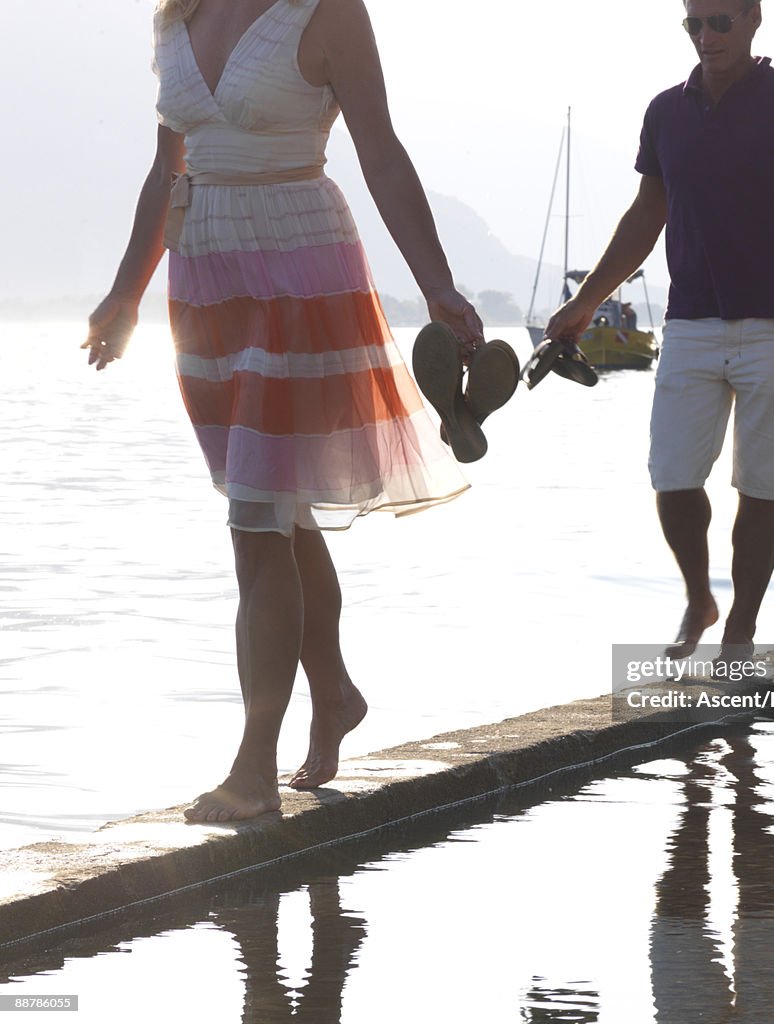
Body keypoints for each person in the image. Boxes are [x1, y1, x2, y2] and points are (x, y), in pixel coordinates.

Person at [83, 0, 484, 822]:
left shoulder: (327, 10)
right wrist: (125, 295)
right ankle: (332, 693)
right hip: (202, 280)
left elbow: (380, 150)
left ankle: (252, 771)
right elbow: (169, 170)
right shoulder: (176, 16)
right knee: (275, 510)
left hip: (300, 266)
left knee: (256, 519)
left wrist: (439, 284)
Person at [545, 0, 774, 659]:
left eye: (719, 21)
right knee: (673, 474)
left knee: (763, 484)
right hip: (689, 321)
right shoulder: (665, 111)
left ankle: (742, 622)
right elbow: (645, 214)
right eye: (694, 23)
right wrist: (584, 303)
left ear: (752, 20)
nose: (706, 36)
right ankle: (699, 598)